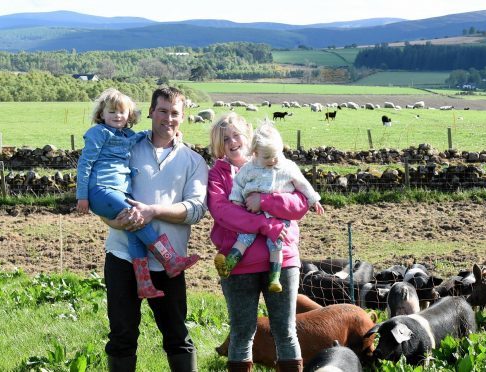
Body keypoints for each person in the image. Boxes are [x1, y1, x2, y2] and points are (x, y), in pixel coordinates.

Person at [101, 87, 208, 371]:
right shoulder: (126, 147)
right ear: (150, 112)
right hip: (122, 256)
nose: (168, 118)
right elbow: (105, 190)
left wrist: (153, 211)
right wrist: (112, 221)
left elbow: (196, 209)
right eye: (162, 111)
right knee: (122, 335)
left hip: (168, 263)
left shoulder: (194, 162)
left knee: (177, 335)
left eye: (174, 113)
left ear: (183, 117)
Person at [207, 112, 310, 371]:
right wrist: (267, 225)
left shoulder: (277, 162)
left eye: (236, 135)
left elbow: (300, 204)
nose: (232, 142)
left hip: (283, 259)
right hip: (239, 266)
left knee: (285, 331)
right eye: (225, 138)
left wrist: (265, 202)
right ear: (218, 144)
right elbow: (223, 212)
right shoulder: (217, 175)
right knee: (242, 332)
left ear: (249, 135)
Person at [76, 88, 199, 299]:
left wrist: (173, 135)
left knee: (134, 232)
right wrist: (82, 196)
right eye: (112, 112)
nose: (117, 116)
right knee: (139, 217)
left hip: (116, 191)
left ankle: (144, 284)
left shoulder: (131, 138)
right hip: (103, 190)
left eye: (121, 112)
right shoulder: (99, 133)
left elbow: (197, 210)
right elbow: (85, 163)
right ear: (102, 114)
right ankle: (169, 259)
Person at [215, 123, 324, 293]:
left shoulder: (287, 167)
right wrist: (236, 201)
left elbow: (303, 187)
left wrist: (313, 199)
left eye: (276, 155)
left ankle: (275, 278)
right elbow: (236, 188)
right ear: (256, 153)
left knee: (276, 243)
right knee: (244, 237)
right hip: (252, 217)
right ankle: (229, 263)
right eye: (267, 158)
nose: (273, 160)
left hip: (280, 221)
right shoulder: (247, 169)